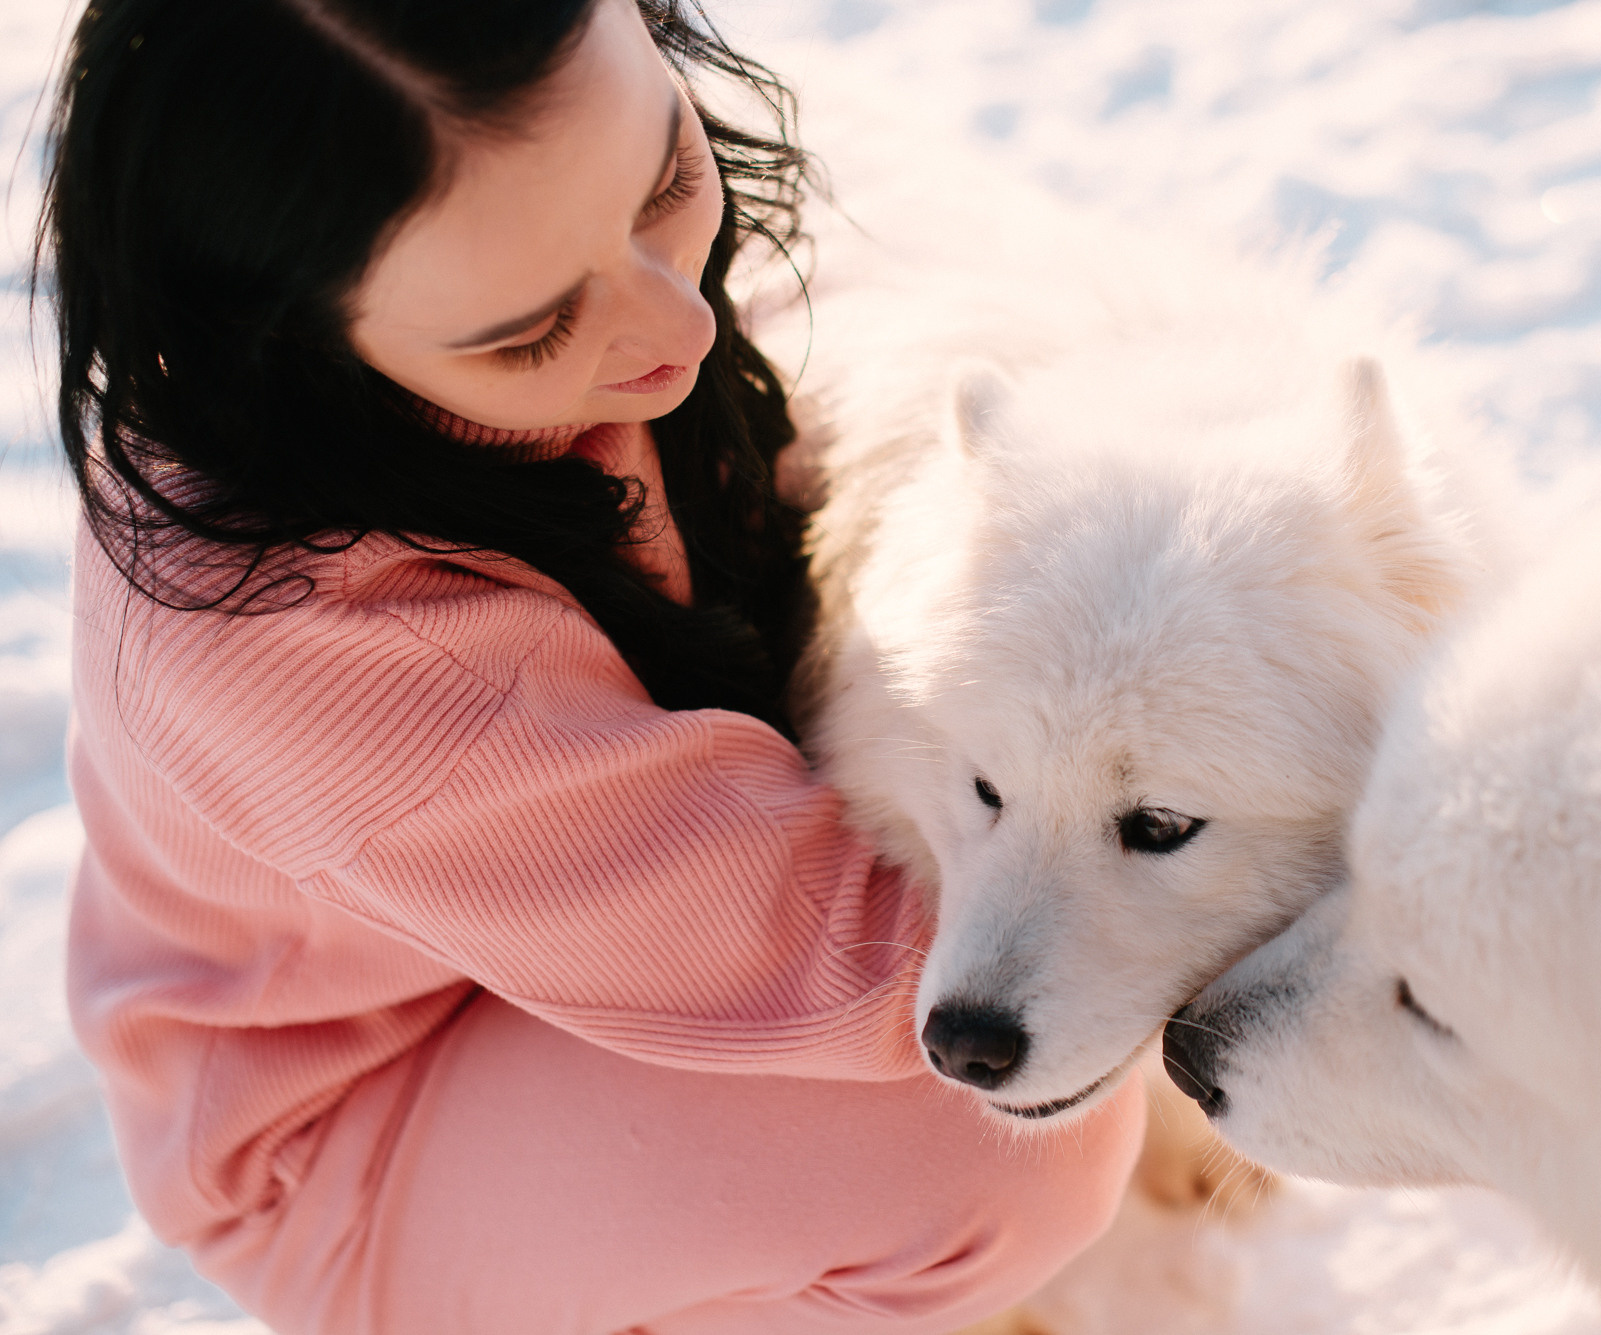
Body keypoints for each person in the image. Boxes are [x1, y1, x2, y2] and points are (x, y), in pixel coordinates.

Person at [38, 0, 1145, 1330]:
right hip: (356, 1138)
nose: (675, 326)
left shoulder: (546, 244)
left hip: (554, 915)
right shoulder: (336, 659)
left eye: (668, 175)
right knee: (983, 1140)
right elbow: (845, 945)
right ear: (285, 343)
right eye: (527, 333)